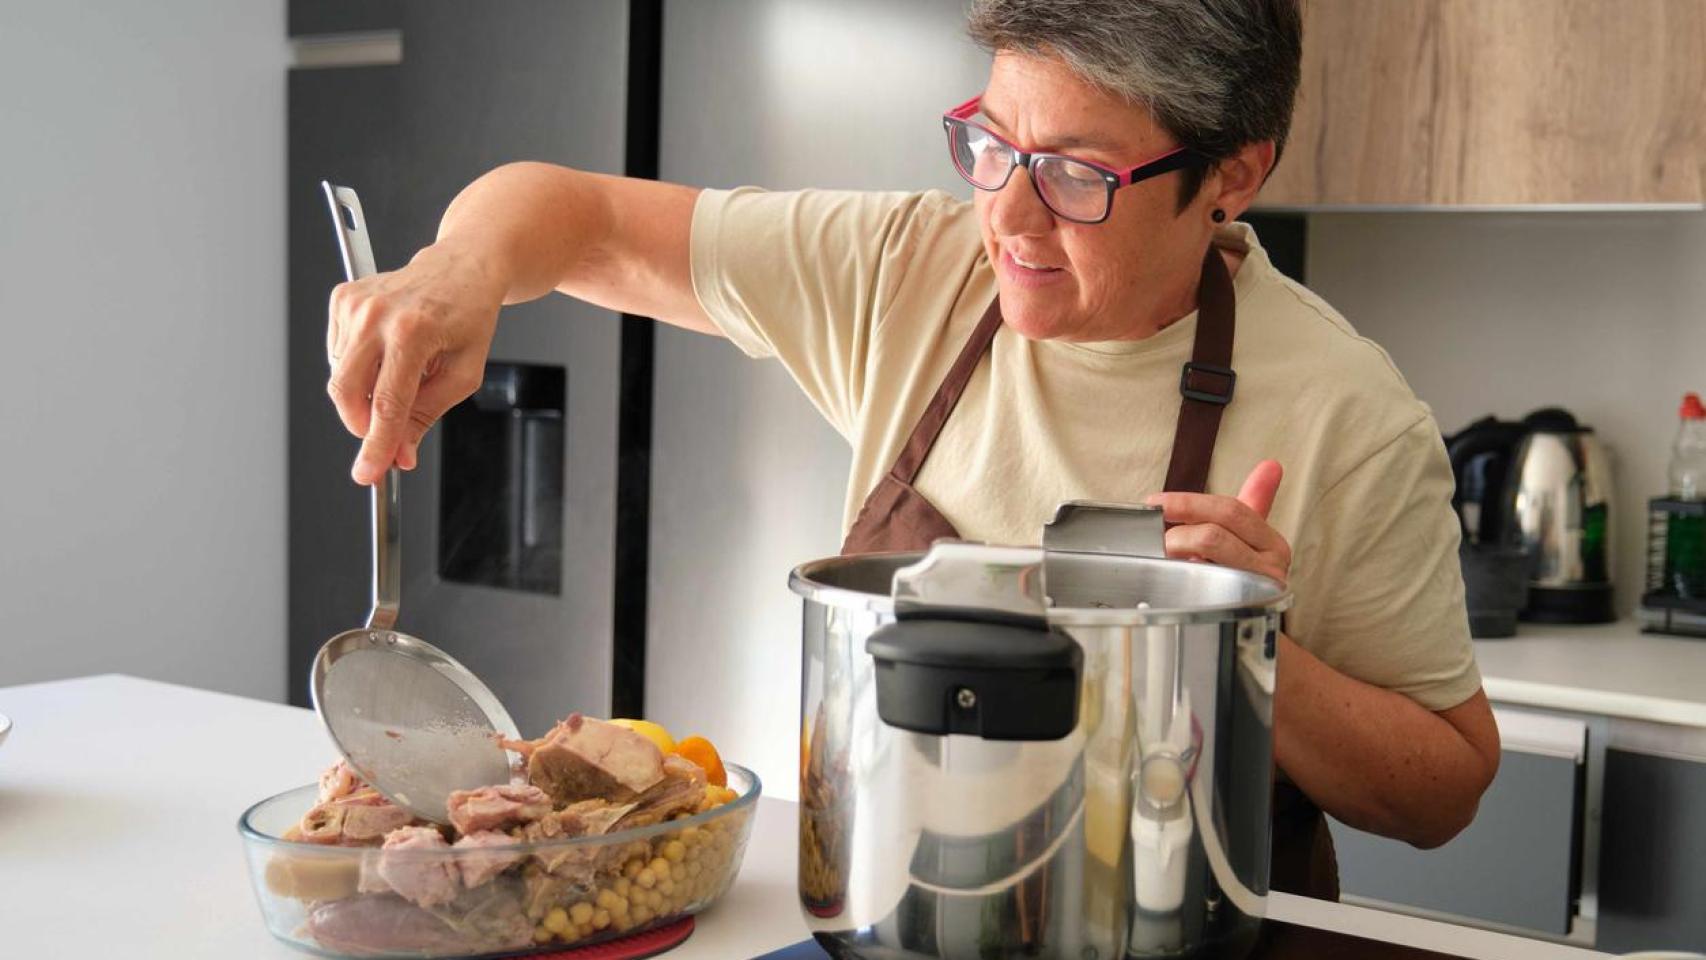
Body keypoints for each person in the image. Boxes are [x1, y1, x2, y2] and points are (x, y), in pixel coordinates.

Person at [323, 0, 1499, 907]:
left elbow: (1443, 791)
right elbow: (568, 210)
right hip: (886, 912)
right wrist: (452, 276)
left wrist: (1251, 651)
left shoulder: (1346, 414)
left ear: (1232, 175)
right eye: (990, 143)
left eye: (1077, 175)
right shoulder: (907, 272)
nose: (1009, 216)